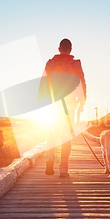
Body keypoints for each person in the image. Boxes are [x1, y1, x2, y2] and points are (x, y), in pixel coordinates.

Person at [38, 38, 86, 178]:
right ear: (71, 49)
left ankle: (50, 158)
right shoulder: (76, 64)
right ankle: (63, 169)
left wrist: (42, 102)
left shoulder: (50, 63)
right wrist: (82, 102)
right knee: (66, 138)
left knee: (51, 134)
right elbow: (82, 84)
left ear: (59, 49)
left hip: (53, 105)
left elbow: (42, 83)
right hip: (69, 106)